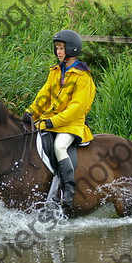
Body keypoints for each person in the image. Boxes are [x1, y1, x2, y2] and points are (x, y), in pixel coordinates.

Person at [23, 29, 96, 209]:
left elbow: (76, 108)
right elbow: (44, 95)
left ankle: (68, 192)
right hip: (51, 122)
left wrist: (52, 122)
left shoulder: (83, 77)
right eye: (57, 48)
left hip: (71, 125)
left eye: (62, 48)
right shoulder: (55, 72)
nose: (58, 52)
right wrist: (31, 112)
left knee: (59, 146)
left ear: (72, 49)